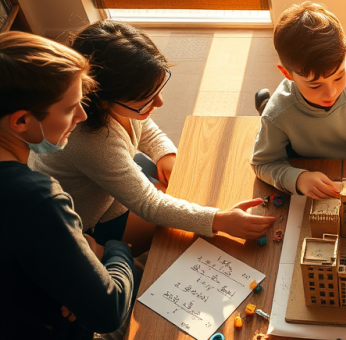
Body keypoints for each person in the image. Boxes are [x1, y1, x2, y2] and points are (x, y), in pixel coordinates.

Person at [31, 21, 274, 255]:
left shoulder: (110, 105)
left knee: (180, 191)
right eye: (145, 98)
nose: (159, 103)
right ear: (103, 98)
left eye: (158, 90)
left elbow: (142, 124)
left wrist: (163, 152)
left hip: (108, 184)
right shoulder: (93, 141)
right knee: (180, 240)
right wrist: (219, 221)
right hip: (94, 218)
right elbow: (150, 205)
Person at [0, 31, 136, 340]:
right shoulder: (36, 196)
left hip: (16, 338)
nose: (81, 115)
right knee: (166, 266)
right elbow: (108, 313)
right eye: (69, 107)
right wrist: (114, 251)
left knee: (145, 168)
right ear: (20, 121)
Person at [251, 2, 346, 199]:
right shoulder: (277, 114)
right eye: (315, 85)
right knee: (272, 116)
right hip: (306, 164)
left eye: (339, 76)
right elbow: (262, 163)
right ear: (286, 74)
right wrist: (297, 179)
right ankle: (265, 106)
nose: (331, 93)